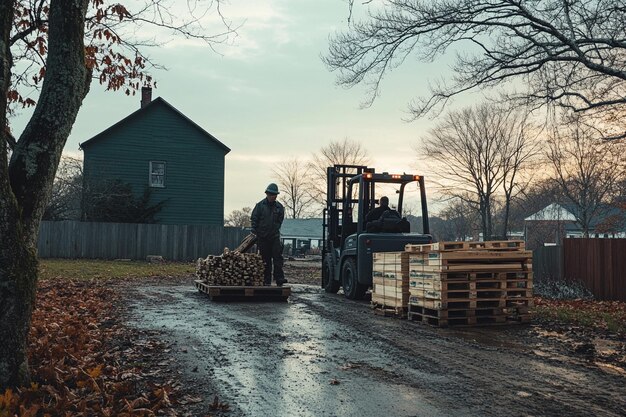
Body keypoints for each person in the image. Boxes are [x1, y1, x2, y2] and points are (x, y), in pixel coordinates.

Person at [251, 183, 287, 286]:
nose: (272, 196)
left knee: (277, 258)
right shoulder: (260, 206)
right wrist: (255, 230)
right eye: (270, 194)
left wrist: (275, 229)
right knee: (265, 259)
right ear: (267, 194)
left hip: (274, 236)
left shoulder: (279, 207)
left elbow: (280, 220)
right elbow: (254, 218)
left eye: (274, 195)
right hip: (262, 237)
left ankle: (279, 278)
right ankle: (266, 280)